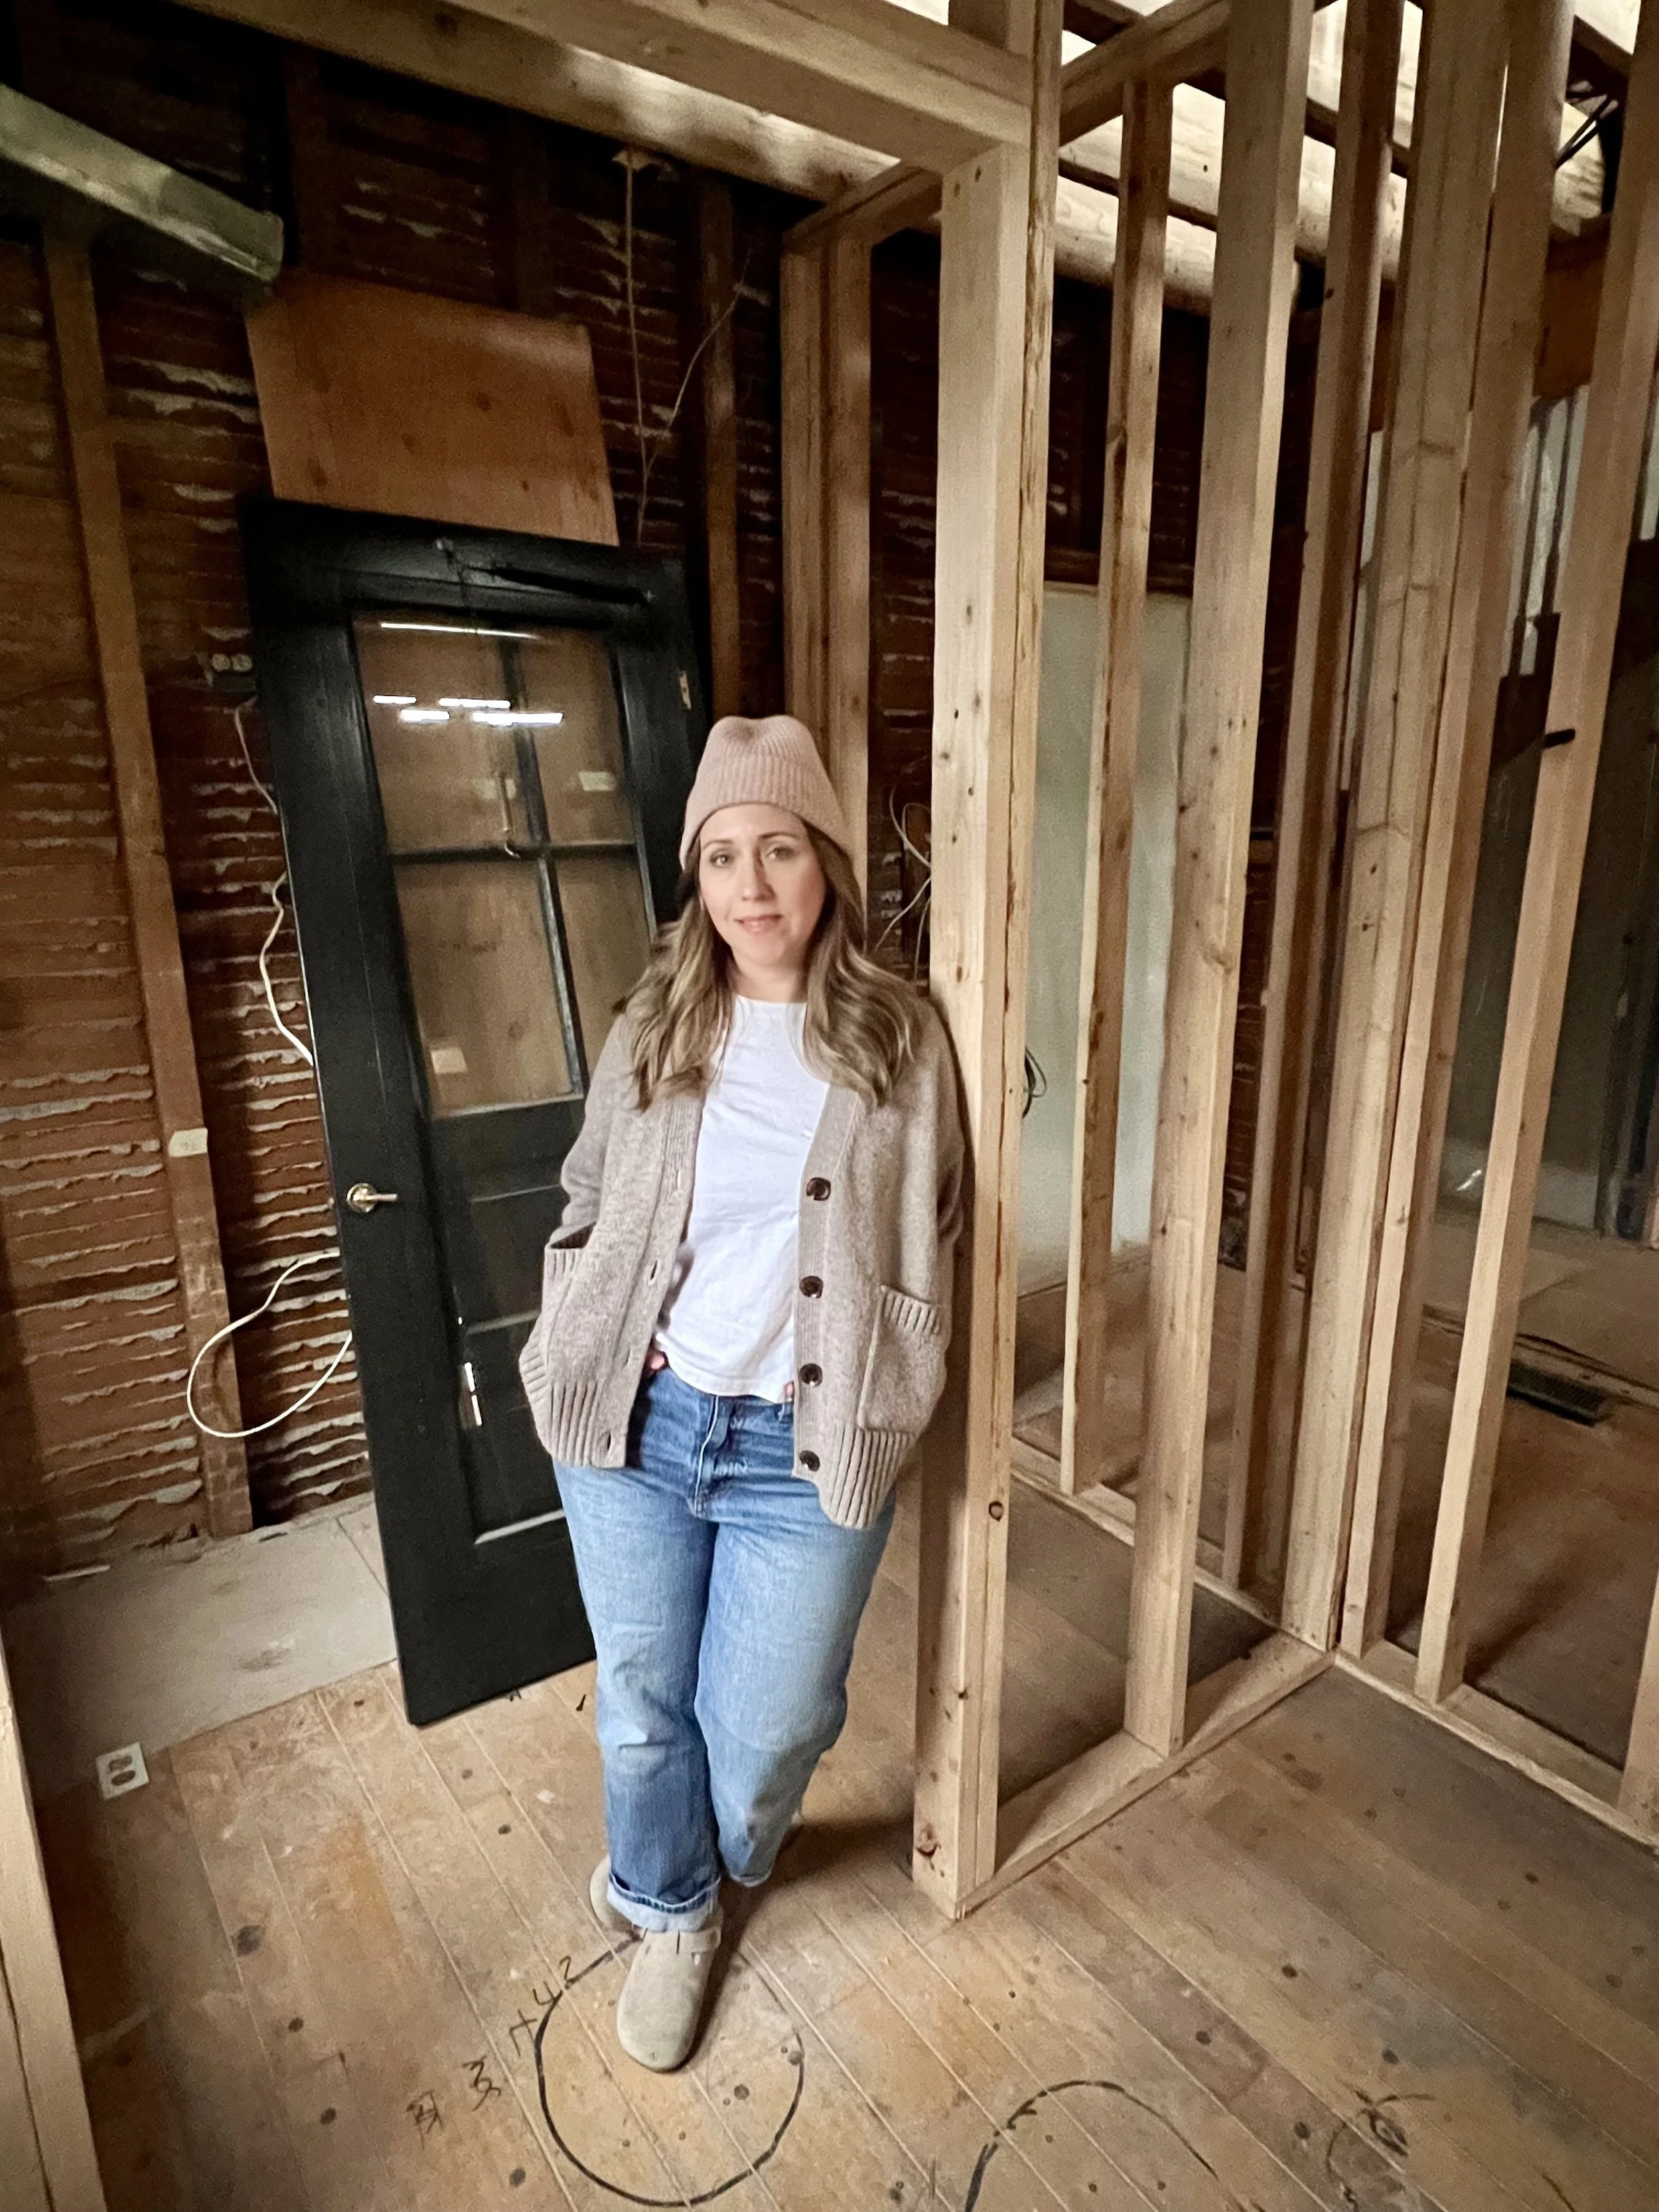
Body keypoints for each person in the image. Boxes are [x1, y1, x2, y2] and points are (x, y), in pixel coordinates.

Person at [519, 711, 963, 2072]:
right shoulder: (655, 1024)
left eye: (778, 849)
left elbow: (935, 1221)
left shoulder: (899, 1037)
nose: (750, 886)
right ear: (695, 875)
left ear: (825, 861)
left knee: (771, 1722)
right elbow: (588, 1195)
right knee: (643, 1699)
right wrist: (583, 1324)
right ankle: (673, 1909)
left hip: (801, 1443)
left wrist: (899, 1377)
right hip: (638, 1421)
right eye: (721, 856)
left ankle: (692, 1862)